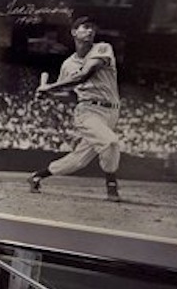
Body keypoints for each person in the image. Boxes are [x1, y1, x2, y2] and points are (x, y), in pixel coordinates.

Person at [27, 16, 121, 201]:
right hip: (88, 112)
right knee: (111, 143)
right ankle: (111, 184)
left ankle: (37, 176)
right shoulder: (68, 65)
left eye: (92, 28)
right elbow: (71, 94)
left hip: (112, 112)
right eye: (85, 27)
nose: (90, 31)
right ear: (74, 32)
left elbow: (84, 76)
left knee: (78, 160)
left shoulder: (102, 48)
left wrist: (50, 87)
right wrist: (49, 94)